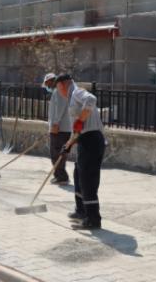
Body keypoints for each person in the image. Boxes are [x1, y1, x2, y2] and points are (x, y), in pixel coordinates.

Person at [55, 74, 105, 230]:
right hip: (85, 140)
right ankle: (81, 211)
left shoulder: (77, 92)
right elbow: (76, 131)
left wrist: (80, 120)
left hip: (92, 140)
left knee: (87, 180)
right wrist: (69, 144)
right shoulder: (72, 99)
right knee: (79, 175)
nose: (59, 93)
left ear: (63, 85)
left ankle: (93, 219)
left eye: (58, 89)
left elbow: (91, 100)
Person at [43, 73, 71, 186]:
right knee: (59, 153)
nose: (47, 86)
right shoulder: (58, 91)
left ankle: (61, 177)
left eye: (47, 83)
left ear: (51, 81)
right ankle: (60, 175)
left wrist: (54, 124)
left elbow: (59, 108)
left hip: (59, 129)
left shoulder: (58, 91)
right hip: (62, 128)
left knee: (56, 153)